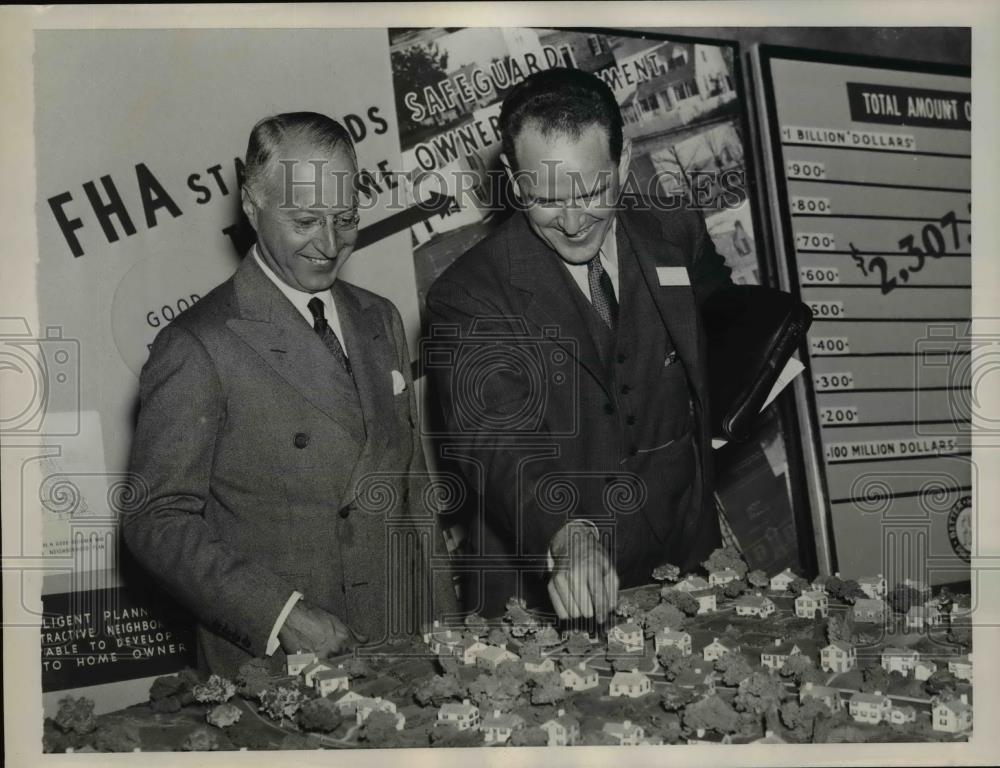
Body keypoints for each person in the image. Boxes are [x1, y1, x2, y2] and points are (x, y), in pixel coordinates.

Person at [122, 112, 456, 678]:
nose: (329, 245)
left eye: (345, 218)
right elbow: (155, 520)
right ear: (252, 207)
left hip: (402, 642)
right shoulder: (198, 345)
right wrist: (285, 615)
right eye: (305, 221)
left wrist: (448, 635)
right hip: (285, 659)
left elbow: (414, 494)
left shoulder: (379, 318)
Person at [425, 68, 733, 622]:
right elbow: (495, 438)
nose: (573, 221)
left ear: (622, 161)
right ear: (516, 184)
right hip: (546, 592)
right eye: (545, 198)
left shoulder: (674, 229)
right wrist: (565, 536)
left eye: (593, 190)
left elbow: (721, 323)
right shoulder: (467, 294)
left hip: (686, 557)